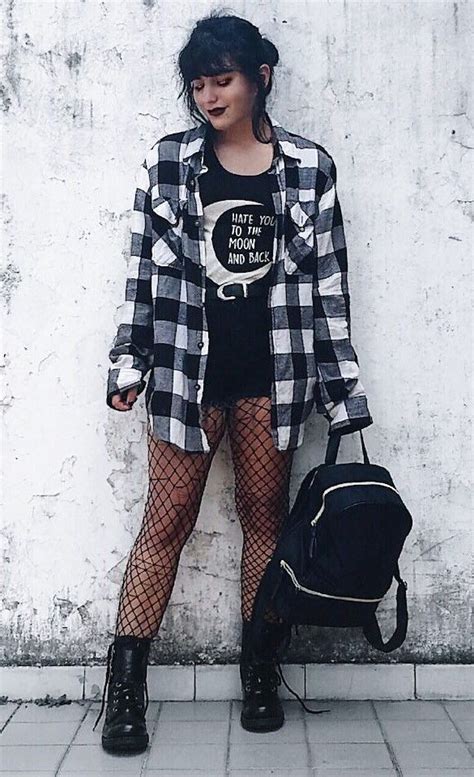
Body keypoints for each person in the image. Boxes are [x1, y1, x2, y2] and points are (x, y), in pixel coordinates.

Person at [94, 11, 373, 755]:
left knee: (265, 522)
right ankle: (125, 688)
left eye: (223, 80)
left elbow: (328, 287)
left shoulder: (307, 168)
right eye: (199, 84)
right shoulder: (170, 162)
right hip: (186, 371)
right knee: (165, 523)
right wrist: (129, 362)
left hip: (273, 376)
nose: (209, 96)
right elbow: (143, 273)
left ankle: (259, 672)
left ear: (261, 78)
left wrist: (343, 394)